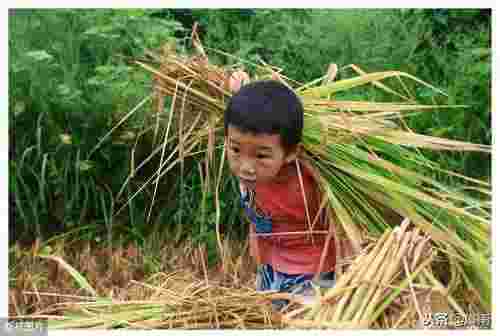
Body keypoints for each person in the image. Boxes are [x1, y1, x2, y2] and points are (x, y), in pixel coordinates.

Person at [224, 73, 338, 311]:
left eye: (261, 156)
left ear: (290, 153)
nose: (246, 167)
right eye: (235, 149)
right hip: (269, 270)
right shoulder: (252, 166)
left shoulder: (309, 185)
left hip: (312, 278)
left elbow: (343, 232)